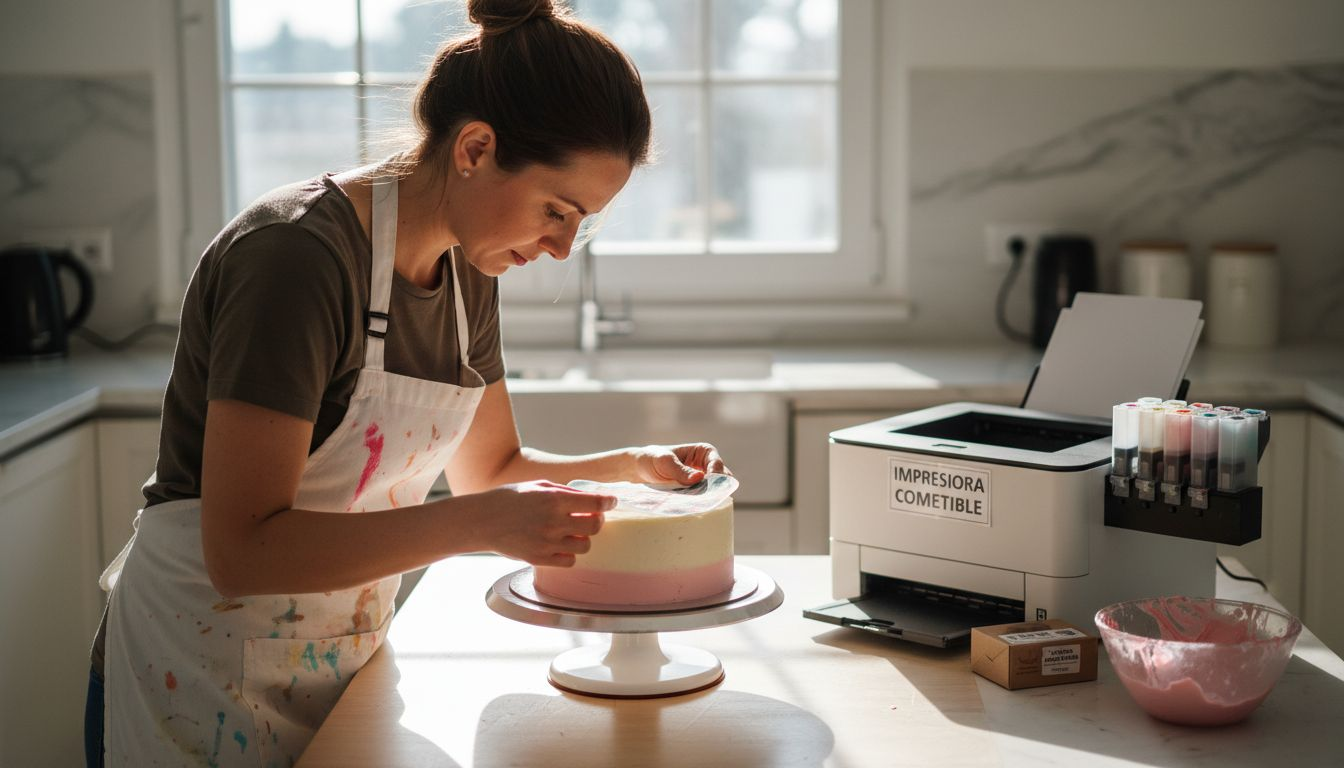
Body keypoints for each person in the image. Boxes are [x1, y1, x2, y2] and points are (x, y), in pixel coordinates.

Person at [86, 1, 730, 765]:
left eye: (580, 223)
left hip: (340, 666)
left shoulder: (469, 271)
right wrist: (480, 525)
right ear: (475, 149)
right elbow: (244, 551)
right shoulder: (296, 257)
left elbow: (490, 473)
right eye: (556, 211)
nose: (560, 248)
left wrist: (629, 467)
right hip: (196, 671)